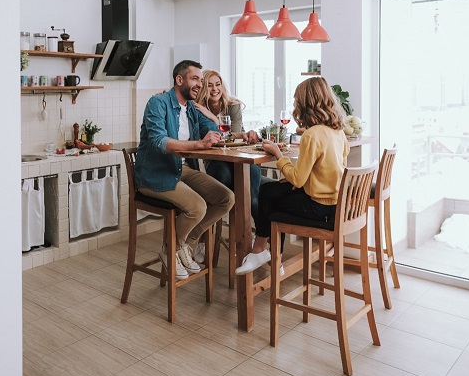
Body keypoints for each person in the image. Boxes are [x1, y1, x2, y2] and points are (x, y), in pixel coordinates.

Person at [235, 76, 350, 275]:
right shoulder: (337, 132)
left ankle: (266, 253)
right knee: (270, 189)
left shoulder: (312, 135)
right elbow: (332, 168)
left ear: (306, 104)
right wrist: (292, 180)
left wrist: (279, 155)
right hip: (335, 203)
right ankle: (267, 256)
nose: (295, 105)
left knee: (269, 201)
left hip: (318, 206)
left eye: (297, 101)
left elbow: (298, 179)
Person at [135, 60, 235, 280]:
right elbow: (158, 141)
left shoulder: (191, 108)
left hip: (182, 169)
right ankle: (170, 249)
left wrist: (210, 118)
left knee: (226, 198)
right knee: (197, 207)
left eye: (201, 79)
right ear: (179, 80)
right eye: (195, 79)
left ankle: (185, 244)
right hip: (155, 174)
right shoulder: (158, 103)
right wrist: (198, 144)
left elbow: (214, 132)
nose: (200, 84)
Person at [192, 69, 264, 263]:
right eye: (210, 85)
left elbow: (233, 134)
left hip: (237, 157)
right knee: (220, 185)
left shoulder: (232, 105)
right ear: (204, 88)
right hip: (215, 160)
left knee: (253, 191)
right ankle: (202, 240)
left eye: (218, 84)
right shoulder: (197, 107)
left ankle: (259, 244)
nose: (215, 89)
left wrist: (214, 118)